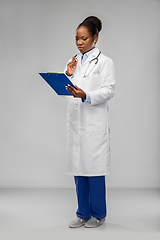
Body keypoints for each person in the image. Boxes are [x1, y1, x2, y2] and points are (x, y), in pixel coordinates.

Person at [64, 16, 115, 228]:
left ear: (95, 38)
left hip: (93, 122)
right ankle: (82, 214)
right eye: (77, 38)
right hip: (77, 122)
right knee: (79, 169)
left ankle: (98, 215)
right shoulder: (73, 61)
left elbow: (108, 90)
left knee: (94, 171)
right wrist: (66, 74)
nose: (79, 42)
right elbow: (67, 86)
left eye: (84, 38)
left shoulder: (105, 62)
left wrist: (86, 95)